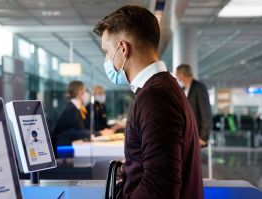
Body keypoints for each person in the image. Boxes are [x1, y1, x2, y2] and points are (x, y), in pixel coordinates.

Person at [94, 5, 203, 199]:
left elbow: (160, 188)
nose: (106, 60)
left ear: (123, 49)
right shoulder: (167, 87)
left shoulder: (154, 97)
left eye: (106, 52)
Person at [53, 81, 112, 146]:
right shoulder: (71, 109)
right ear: (79, 93)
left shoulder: (76, 108)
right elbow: (80, 131)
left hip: (72, 144)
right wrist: (100, 133)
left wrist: (99, 132)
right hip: (64, 147)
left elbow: (83, 128)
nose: (86, 94)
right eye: (85, 91)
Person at [176, 64, 212, 147]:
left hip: (197, 136)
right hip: (185, 137)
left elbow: (206, 113)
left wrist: (203, 137)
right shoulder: (182, 89)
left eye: (177, 74)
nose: (177, 77)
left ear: (181, 75)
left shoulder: (199, 87)